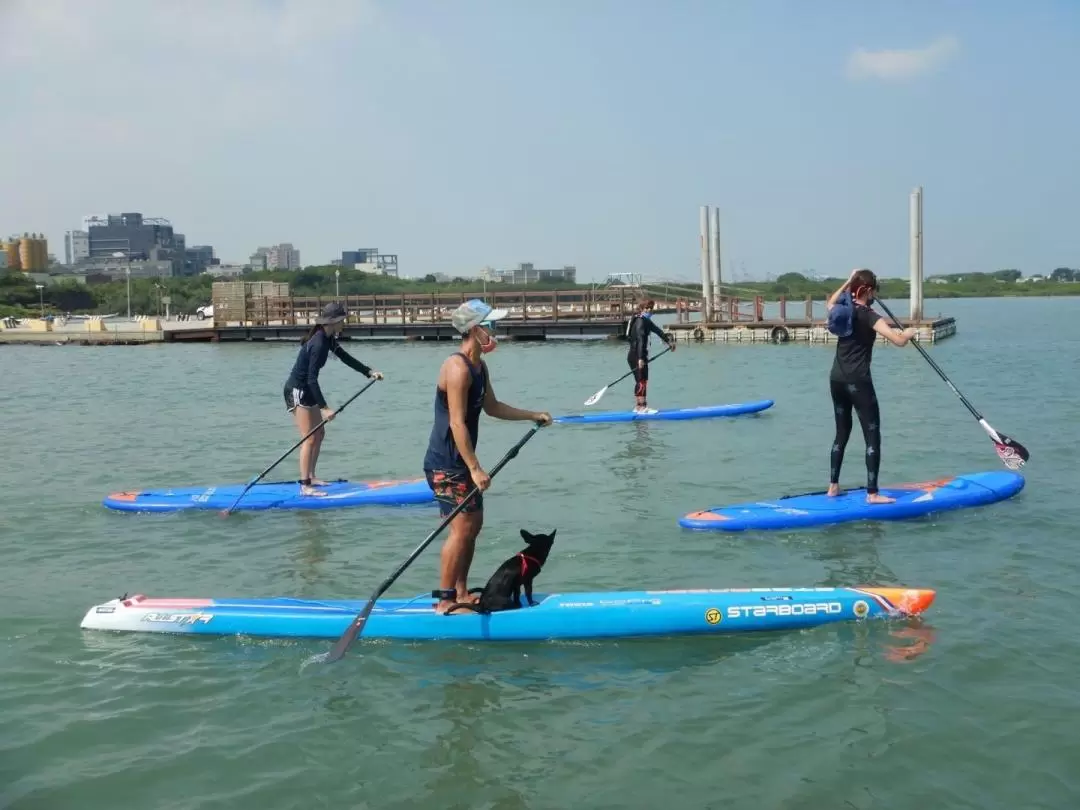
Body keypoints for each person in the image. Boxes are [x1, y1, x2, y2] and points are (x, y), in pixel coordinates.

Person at [422, 298, 552, 615]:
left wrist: (532, 414)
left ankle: (462, 592)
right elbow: (455, 422)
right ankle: (444, 601)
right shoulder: (456, 368)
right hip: (446, 463)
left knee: (473, 526)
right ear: (476, 329)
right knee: (461, 529)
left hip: (461, 462)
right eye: (491, 324)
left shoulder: (479, 366)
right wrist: (476, 468)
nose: (497, 330)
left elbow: (492, 407)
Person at [825, 269, 916, 504]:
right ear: (868, 290)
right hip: (858, 381)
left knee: (841, 434)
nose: (875, 295)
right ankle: (872, 494)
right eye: (874, 290)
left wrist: (848, 279)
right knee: (872, 434)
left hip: (836, 379)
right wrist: (908, 333)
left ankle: (833, 487)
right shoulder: (869, 315)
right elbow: (897, 341)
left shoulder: (841, 310)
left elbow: (830, 302)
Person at [283, 301, 383, 496]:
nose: (344, 323)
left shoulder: (328, 338)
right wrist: (325, 408)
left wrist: (369, 372)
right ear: (334, 321)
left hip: (308, 389)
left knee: (319, 435)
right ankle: (305, 486)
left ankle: (311, 476)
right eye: (342, 320)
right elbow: (311, 378)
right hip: (297, 390)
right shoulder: (319, 343)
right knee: (309, 438)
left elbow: (345, 357)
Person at [626, 299, 676, 413]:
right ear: (643, 309)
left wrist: (669, 342)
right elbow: (640, 341)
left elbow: (658, 331)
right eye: (648, 309)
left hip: (640, 355)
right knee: (641, 381)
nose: (650, 311)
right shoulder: (640, 322)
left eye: (651, 309)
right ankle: (641, 407)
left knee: (642, 380)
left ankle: (640, 406)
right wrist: (640, 358)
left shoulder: (646, 321)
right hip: (636, 356)